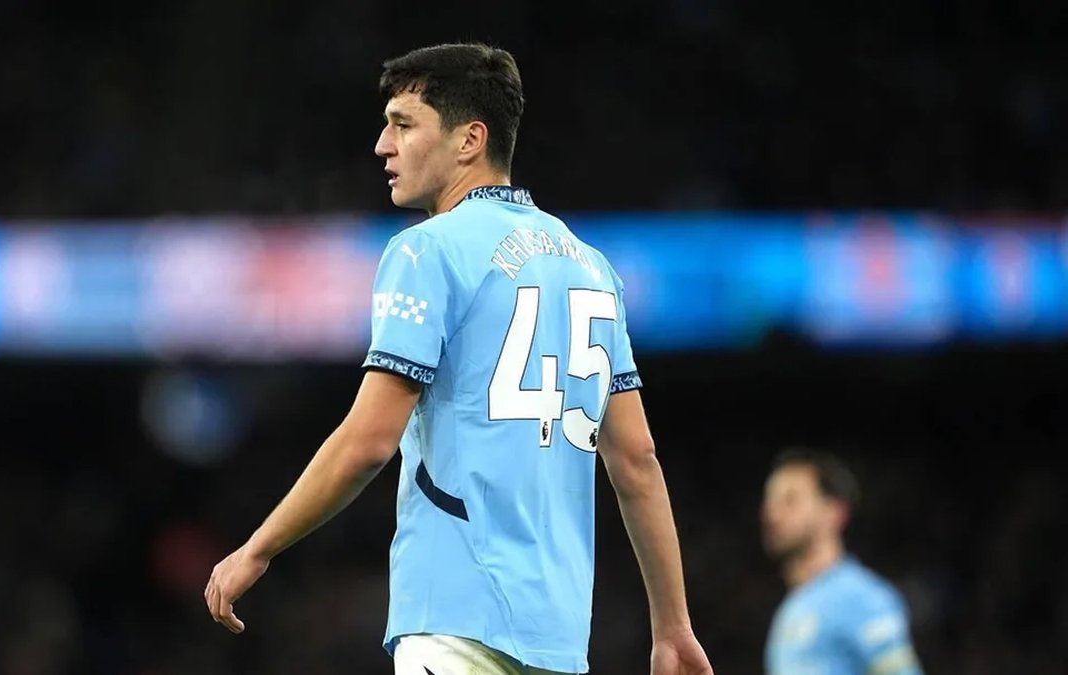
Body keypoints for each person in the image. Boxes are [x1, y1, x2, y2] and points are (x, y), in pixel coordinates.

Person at [204, 42, 712, 675]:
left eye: (403, 123)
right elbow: (637, 459)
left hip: (453, 617)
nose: (382, 146)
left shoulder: (427, 251)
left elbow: (368, 442)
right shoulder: (592, 267)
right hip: (557, 636)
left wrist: (259, 548)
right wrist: (672, 626)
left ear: (470, 139)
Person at [761, 447, 924, 675]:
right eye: (770, 500)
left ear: (834, 513)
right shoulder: (791, 609)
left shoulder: (864, 599)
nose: (772, 513)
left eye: (790, 500)